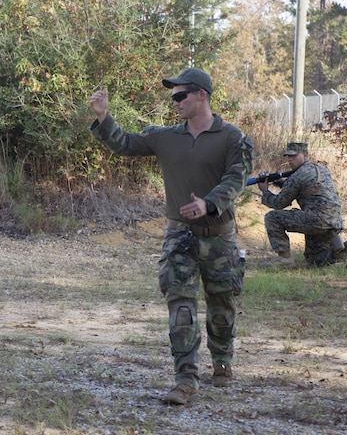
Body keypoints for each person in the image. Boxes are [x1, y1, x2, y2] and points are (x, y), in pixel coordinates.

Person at [88, 68, 252, 405]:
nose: (174, 102)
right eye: (172, 97)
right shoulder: (165, 137)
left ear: (202, 95)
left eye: (180, 95)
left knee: (222, 304)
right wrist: (103, 116)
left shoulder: (232, 137)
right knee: (180, 305)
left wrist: (209, 203)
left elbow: (237, 178)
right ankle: (185, 378)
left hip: (219, 238)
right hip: (180, 236)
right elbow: (125, 144)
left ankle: (222, 361)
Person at [259, 142, 347, 266]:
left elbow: (278, 203)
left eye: (294, 156)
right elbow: (307, 188)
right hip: (334, 220)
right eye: (288, 156)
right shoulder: (321, 169)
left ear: (305, 155)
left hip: (316, 220)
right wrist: (284, 184)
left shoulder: (297, 176)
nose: (290, 160)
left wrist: (265, 191)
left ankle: (284, 258)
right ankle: (343, 253)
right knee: (314, 259)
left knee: (272, 217)